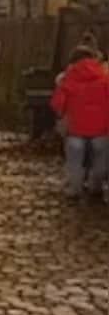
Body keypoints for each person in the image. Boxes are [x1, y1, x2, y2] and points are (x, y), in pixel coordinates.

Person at [50, 46, 109, 201]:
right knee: (100, 161)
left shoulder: (67, 78)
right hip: (101, 128)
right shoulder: (104, 77)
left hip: (75, 129)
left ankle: (75, 190)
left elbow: (57, 104)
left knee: (75, 161)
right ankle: (96, 188)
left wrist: (62, 115)